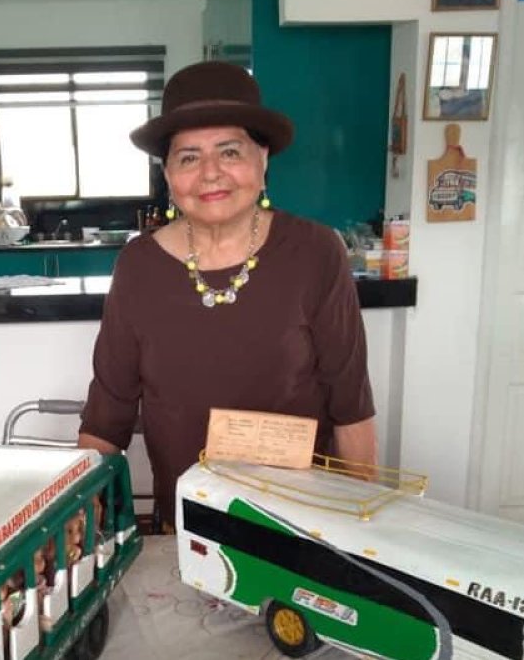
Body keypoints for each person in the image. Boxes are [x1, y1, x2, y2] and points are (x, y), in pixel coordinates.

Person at [77, 61, 377, 530]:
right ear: (169, 175)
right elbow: (106, 415)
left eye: (230, 152)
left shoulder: (316, 252)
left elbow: (351, 403)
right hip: (187, 522)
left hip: (301, 526)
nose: (210, 174)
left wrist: (361, 534)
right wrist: (76, 517)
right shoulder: (139, 266)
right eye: (189, 157)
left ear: (263, 159)